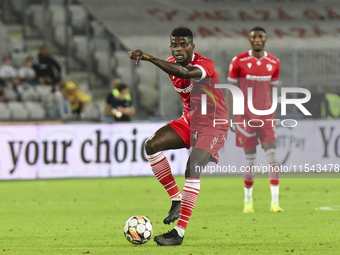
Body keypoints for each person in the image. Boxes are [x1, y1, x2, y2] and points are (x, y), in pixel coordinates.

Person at [129, 27, 229, 246]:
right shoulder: (170, 64)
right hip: (190, 120)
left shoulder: (205, 66)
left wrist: (148, 57)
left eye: (183, 44)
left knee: (192, 168)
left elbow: (185, 74)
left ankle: (179, 233)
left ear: (192, 47)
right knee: (151, 145)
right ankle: (176, 199)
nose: (179, 49)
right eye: (174, 45)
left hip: (213, 124)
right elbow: (178, 74)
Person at [227, 27, 282, 213]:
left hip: (266, 116)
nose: (257, 40)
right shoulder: (239, 61)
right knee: (250, 160)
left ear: (265, 39)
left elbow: (273, 89)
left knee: (272, 156)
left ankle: (275, 202)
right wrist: (231, 116)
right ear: (249, 40)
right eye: (254, 37)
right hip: (245, 116)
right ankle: (248, 200)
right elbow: (231, 90)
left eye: (260, 37)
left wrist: (274, 111)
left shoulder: (274, 62)